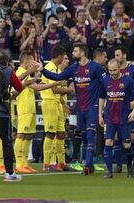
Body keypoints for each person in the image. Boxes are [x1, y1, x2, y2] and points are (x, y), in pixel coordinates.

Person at [38, 42, 106, 175]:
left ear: (82, 53)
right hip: (80, 108)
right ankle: (90, 165)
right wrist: (42, 70)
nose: (72, 54)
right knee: (85, 136)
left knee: (91, 134)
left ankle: (87, 165)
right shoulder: (74, 68)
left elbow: (107, 83)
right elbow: (57, 77)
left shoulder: (96, 67)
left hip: (93, 106)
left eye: (75, 51)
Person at [0, 50, 34, 181]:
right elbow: (19, 87)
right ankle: (9, 173)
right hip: (2, 113)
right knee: (7, 141)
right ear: (7, 62)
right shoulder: (8, 71)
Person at [14, 51, 64, 173]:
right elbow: (37, 88)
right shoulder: (20, 72)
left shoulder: (27, 74)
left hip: (30, 108)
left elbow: (34, 87)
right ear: (26, 61)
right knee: (21, 134)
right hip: (24, 108)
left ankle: (25, 164)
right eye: (32, 60)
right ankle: (19, 163)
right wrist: (56, 83)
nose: (34, 63)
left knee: (29, 135)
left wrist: (36, 76)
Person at [99, 59, 134, 179]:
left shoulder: (128, 80)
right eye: (110, 70)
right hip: (109, 117)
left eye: (114, 70)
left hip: (123, 118)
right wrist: (100, 115)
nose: (112, 72)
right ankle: (109, 172)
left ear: (119, 68)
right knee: (108, 142)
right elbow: (101, 98)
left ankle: (130, 169)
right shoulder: (105, 80)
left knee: (126, 145)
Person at [40, 46, 74, 171]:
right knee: (50, 133)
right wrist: (69, 90)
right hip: (49, 103)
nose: (64, 59)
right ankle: (47, 164)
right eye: (63, 56)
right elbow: (54, 89)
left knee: (61, 134)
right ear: (59, 56)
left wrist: (63, 103)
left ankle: (61, 163)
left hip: (57, 104)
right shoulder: (49, 68)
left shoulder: (56, 70)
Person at [114, 46, 134, 173]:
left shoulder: (133, 70)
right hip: (118, 108)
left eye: (118, 55)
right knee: (118, 136)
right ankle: (120, 164)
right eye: (115, 55)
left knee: (133, 137)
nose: (116, 57)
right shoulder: (113, 70)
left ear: (124, 55)